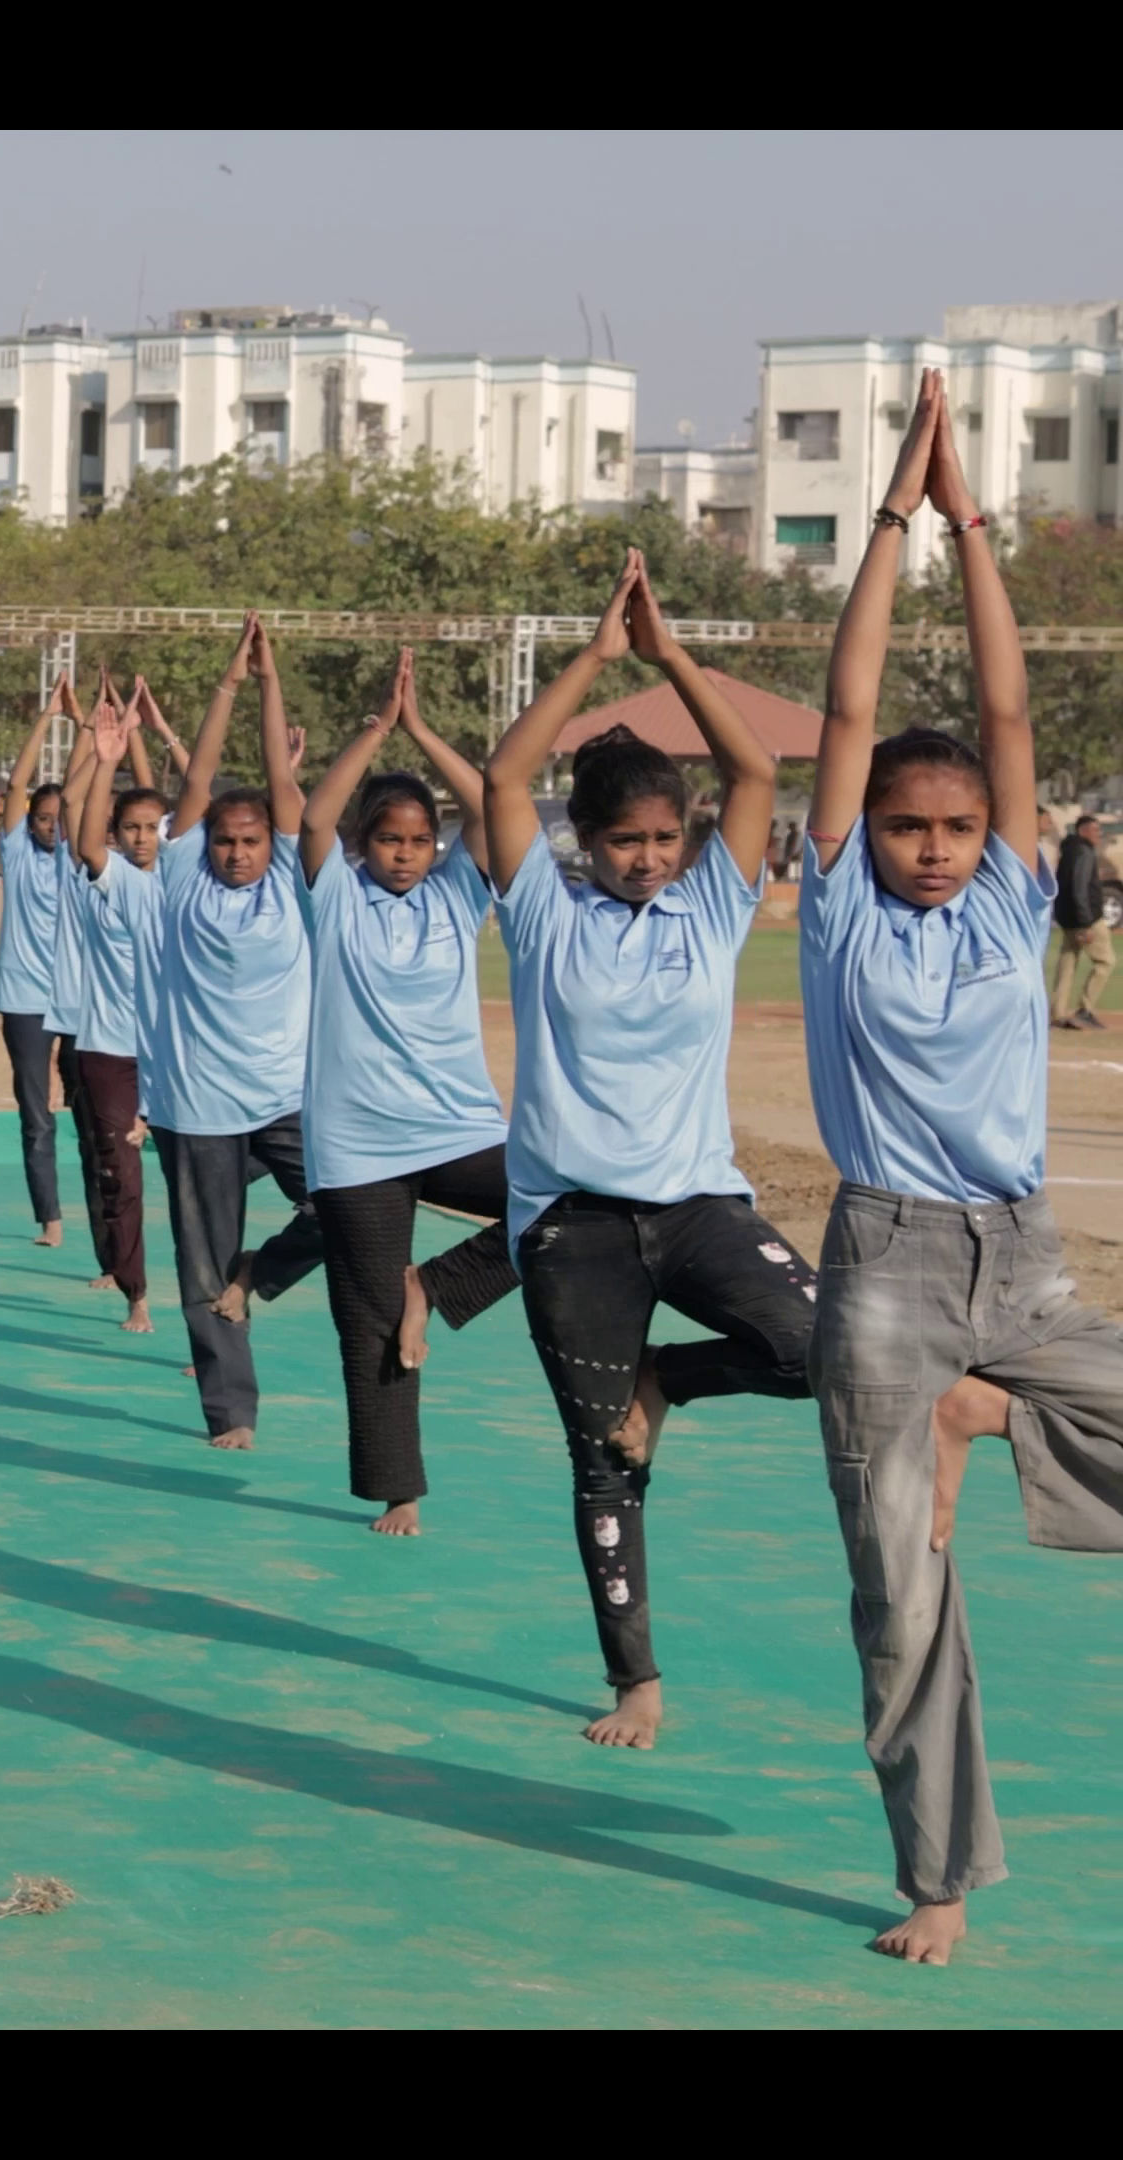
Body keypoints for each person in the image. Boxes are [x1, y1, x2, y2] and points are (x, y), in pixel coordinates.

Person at [799, 371, 1123, 1964]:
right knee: (903, 1601)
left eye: (954, 825)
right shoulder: (844, 908)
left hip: (1025, 1261)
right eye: (906, 825)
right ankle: (938, 1879)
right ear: (866, 839)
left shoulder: (1006, 902)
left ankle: (999, 1411)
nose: (930, 841)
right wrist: (885, 521)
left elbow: (1004, 715)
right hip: (887, 1275)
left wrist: (971, 521)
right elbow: (854, 710)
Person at [482, 547, 817, 1752]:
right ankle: (637, 1684)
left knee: (816, 1345)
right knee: (601, 1462)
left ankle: (666, 1380)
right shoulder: (541, 911)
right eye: (627, 839)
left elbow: (757, 768)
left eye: (666, 837)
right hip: (573, 1226)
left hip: (698, 1207)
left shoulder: (713, 906)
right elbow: (510, 772)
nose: (650, 857)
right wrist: (591, 657)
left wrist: (667, 655)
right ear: (587, 838)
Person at [293, 648, 520, 1535]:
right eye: (389, 839)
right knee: (367, 1321)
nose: (406, 854)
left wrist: (425, 730)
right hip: (356, 1144)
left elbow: (495, 810)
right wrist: (376, 731)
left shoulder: (459, 897)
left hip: (457, 1124)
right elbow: (311, 821)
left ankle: (441, 1282)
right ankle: (400, 1490)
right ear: (365, 844)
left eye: (420, 841)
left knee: (561, 1200)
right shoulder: (336, 899)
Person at [129, 628, 328, 1451]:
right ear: (202, 842)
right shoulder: (179, 877)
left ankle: (262, 1275)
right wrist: (225, 687)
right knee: (199, 1264)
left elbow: (283, 787)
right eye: (225, 840)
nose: (239, 852)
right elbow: (200, 776)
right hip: (201, 1105)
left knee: (343, 1209)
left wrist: (270, 680)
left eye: (250, 841)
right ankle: (232, 1412)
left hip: (286, 1096)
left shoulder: (289, 876)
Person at [64, 697, 168, 1334]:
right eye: (131, 829)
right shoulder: (111, 880)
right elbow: (85, 834)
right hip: (107, 1049)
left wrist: (148, 738)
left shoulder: (185, 880)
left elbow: (185, 801)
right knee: (122, 1173)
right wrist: (106, 760)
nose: (142, 839)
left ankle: (219, 1300)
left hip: (174, 1053)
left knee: (203, 1182)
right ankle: (137, 1291)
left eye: (153, 829)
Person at [0, 692, 75, 1247]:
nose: (48, 827)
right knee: (36, 1113)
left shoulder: (79, 855)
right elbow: (17, 786)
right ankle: (52, 1217)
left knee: (93, 1117)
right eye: (41, 819)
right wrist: (45, 718)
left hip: (79, 999)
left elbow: (86, 790)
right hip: (25, 1000)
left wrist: (88, 730)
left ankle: (113, 1238)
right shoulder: (17, 856)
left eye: (57, 819)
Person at [1050, 809, 1110, 1029]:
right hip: (1086, 919)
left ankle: (1057, 1012)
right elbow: (1079, 889)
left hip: (1067, 918)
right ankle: (1085, 1009)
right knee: (1105, 962)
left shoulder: (1069, 850)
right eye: (1095, 829)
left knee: (1068, 963)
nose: (1099, 834)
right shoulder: (1084, 852)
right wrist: (1086, 923)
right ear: (1083, 831)